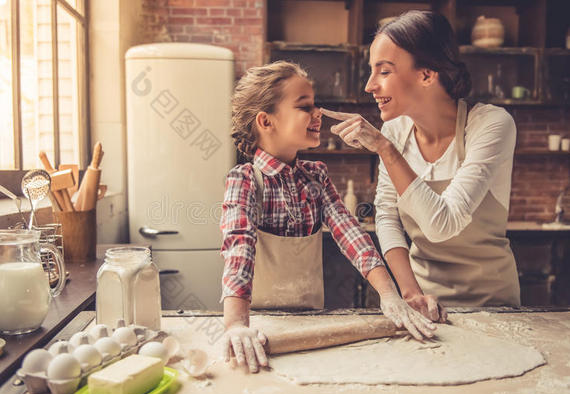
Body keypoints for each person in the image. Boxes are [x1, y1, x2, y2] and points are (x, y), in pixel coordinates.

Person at [220, 61, 436, 373]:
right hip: (260, 328)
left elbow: (352, 235)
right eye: (304, 107)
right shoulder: (245, 180)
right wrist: (236, 325)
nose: (318, 113)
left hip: (311, 324)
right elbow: (239, 247)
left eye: (315, 104)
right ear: (266, 121)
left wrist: (390, 296)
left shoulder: (315, 176)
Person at [322, 10, 521, 323]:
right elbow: (386, 215)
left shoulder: (490, 125)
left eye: (384, 72)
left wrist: (385, 150)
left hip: (493, 305)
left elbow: (443, 223)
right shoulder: (396, 131)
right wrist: (410, 292)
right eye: (371, 72)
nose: (369, 86)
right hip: (424, 302)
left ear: (427, 75)